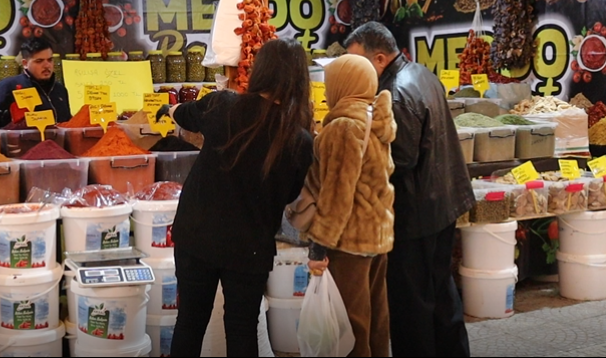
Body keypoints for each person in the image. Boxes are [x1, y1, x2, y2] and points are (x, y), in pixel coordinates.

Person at [159, 38, 314, 357]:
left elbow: (183, 114)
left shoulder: (222, 104)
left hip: (196, 235)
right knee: (242, 329)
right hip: (250, 248)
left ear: (260, 71)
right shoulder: (299, 138)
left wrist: (169, 108)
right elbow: (290, 196)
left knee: (189, 322)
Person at [345, 22, 475, 357]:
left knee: (410, 304)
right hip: (443, 202)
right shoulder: (420, 72)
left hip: (415, 213)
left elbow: (399, 160)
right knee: (441, 293)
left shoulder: (396, 93)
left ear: (379, 58)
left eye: (357, 62)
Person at [305, 55, 397, 358]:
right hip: (377, 237)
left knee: (351, 329)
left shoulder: (344, 126)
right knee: (376, 324)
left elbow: (337, 195)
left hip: (349, 243)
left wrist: (319, 246)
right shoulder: (374, 120)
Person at [0, 36, 72, 128]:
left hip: (58, 142)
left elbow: (68, 125)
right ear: (25, 64)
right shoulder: (7, 86)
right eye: (39, 61)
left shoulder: (60, 89)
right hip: (18, 142)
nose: (47, 65)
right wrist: (0, 123)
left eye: (50, 60)